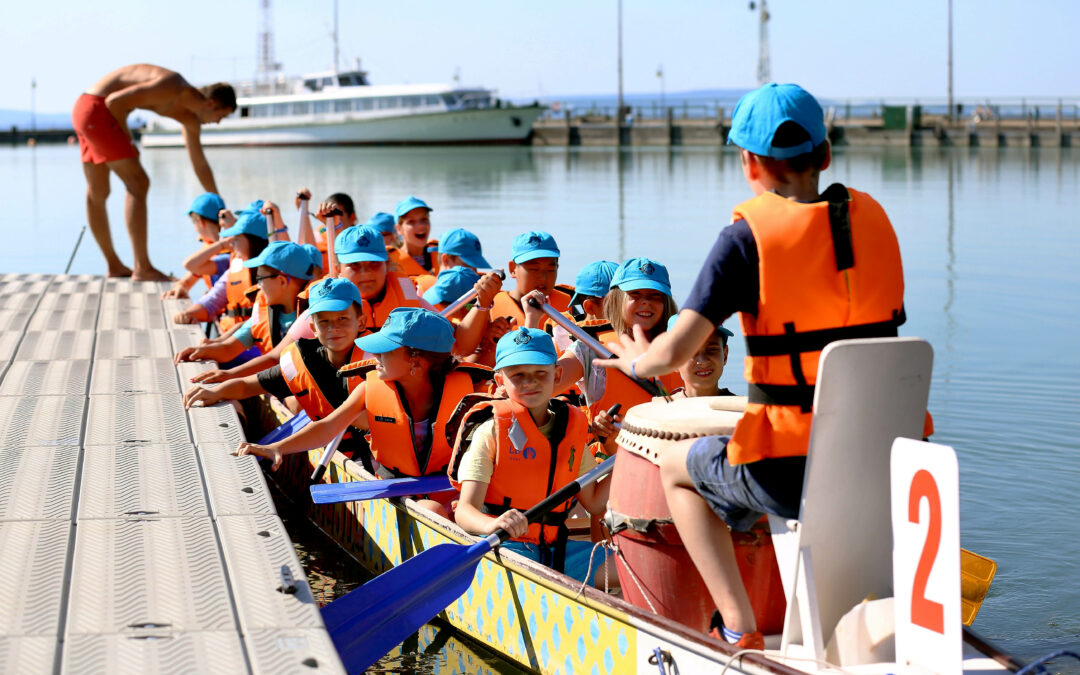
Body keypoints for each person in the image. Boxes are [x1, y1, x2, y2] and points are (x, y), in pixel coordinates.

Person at [596, 83, 908, 649]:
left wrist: (634, 357)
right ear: (827, 154)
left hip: (791, 472)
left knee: (674, 464)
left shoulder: (745, 240)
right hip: (882, 460)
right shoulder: (877, 223)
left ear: (749, 163)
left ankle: (739, 626)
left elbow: (672, 352)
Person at [235, 308, 486, 516]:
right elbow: (328, 427)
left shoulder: (471, 390)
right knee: (433, 509)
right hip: (398, 488)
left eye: (384, 350)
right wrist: (278, 447)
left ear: (416, 362)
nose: (375, 355)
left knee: (474, 510)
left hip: (456, 487)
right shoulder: (368, 389)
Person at [448, 328, 610, 585]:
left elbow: (595, 503)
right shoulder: (490, 430)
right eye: (518, 375)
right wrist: (494, 524)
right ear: (500, 381)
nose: (529, 383)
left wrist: (627, 453)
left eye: (540, 374)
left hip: (557, 551)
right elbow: (465, 512)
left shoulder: (571, 427)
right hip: (504, 550)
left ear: (556, 375)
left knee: (628, 569)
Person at [184, 277, 372, 465]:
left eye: (342, 318)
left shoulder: (377, 364)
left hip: (376, 456)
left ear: (361, 322)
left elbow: (330, 426)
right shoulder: (305, 362)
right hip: (341, 451)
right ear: (313, 328)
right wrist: (216, 391)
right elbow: (247, 386)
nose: (334, 328)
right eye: (324, 322)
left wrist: (278, 446)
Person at [73, 64, 235, 280]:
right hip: (98, 108)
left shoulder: (189, 118)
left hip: (85, 110)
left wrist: (219, 206)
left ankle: (115, 267)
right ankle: (142, 267)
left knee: (98, 190)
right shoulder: (173, 86)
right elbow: (115, 102)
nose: (218, 122)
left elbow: (200, 164)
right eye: (221, 116)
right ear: (211, 103)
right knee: (138, 183)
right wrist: (129, 141)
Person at [176, 241, 314, 364]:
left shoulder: (314, 318)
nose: (258, 286)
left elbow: (274, 360)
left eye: (260, 278)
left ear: (282, 281)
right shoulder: (263, 313)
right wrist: (200, 352)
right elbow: (228, 349)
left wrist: (227, 377)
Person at [170, 208, 268, 335]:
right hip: (233, 337)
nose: (231, 243)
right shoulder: (234, 268)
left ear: (253, 241)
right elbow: (213, 300)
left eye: (236, 239)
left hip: (254, 342)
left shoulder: (271, 274)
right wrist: (188, 313)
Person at [490, 231, 572, 328]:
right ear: (512, 269)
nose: (543, 277)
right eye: (534, 269)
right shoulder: (488, 307)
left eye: (551, 270)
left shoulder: (568, 307)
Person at [161, 192, 228, 300]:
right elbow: (189, 279)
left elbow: (189, 265)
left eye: (193, 221)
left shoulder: (225, 250)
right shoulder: (220, 247)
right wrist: (181, 286)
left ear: (201, 222)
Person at [667, 317, 736, 399]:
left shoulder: (745, 409)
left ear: (725, 355)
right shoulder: (659, 410)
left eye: (712, 349)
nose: (703, 361)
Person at [413, 227, 491, 296]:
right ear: (446, 260)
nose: (473, 272)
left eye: (475, 266)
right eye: (467, 265)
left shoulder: (481, 294)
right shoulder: (421, 292)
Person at [387, 195, 439, 277]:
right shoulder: (390, 263)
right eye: (411, 221)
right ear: (399, 229)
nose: (420, 225)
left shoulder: (442, 255)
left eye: (424, 219)